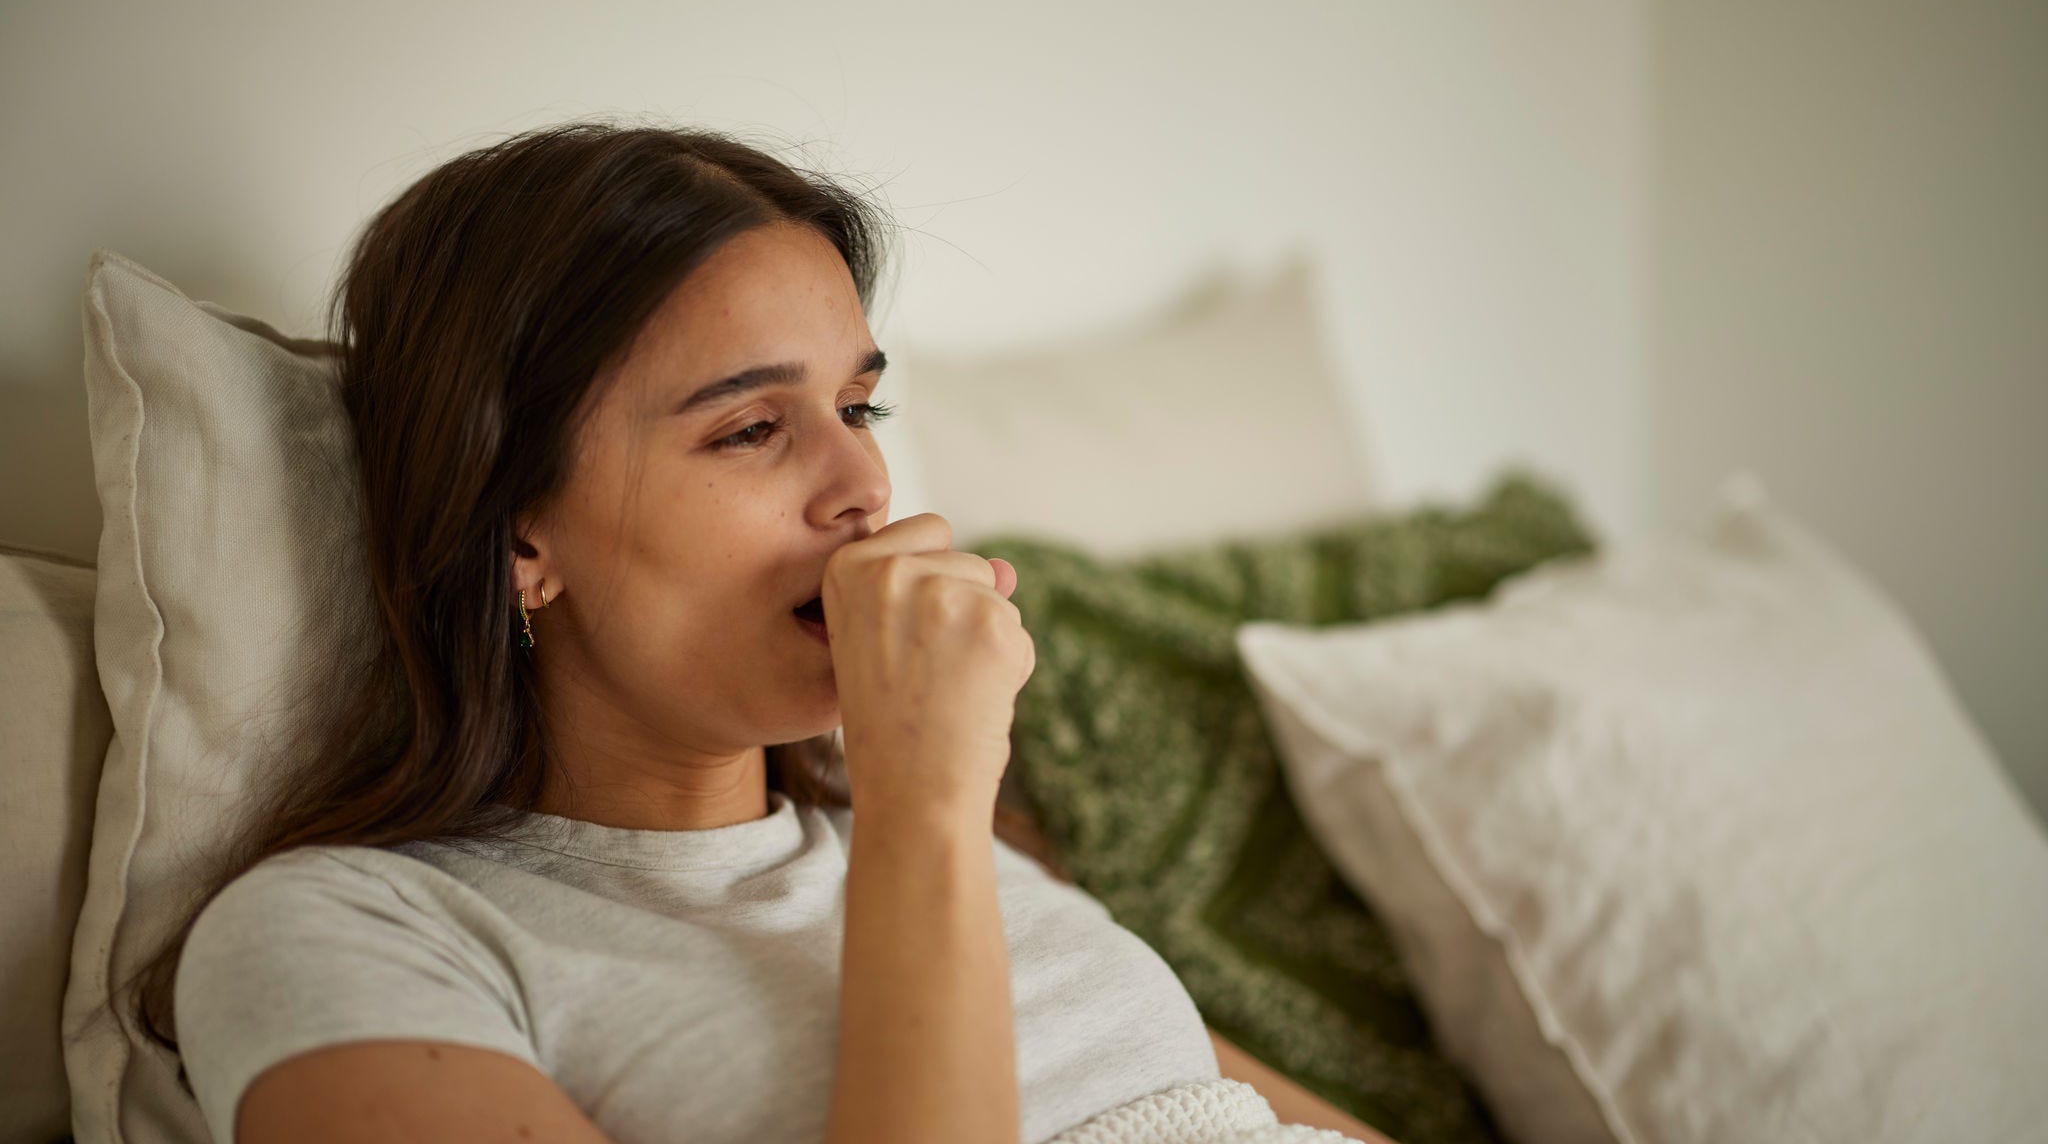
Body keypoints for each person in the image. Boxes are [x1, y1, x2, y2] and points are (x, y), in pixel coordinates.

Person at [128, 120, 1394, 1144]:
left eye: (859, 406)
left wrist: (925, 815)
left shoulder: (953, 853)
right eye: (748, 429)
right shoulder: (344, 937)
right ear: (521, 534)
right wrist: (924, 803)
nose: (863, 488)